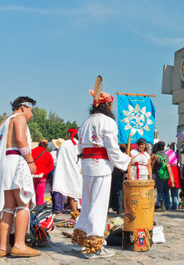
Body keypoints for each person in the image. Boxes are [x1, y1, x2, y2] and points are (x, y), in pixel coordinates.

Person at [72, 88, 131, 258]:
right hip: (101, 166)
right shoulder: (107, 122)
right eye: (111, 105)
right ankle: (94, 245)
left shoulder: (86, 121)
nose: (112, 109)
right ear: (106, 105)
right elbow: (112, 149)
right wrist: (126, 161)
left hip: (87, 165)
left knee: (88, 203)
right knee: (98, 205)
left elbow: (80, 146)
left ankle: (80, 240)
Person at [0, 96, 40, 257]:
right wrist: (30, 161)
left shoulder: (3, 123)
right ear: (22, 107)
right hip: (16, 161)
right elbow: (20, 140)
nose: (31, 115)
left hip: (3, 164)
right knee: (23, 203)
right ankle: (19, 244)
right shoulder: (19, 118)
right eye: (31, 110)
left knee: (8, 206)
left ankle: (3, 247)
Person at [52, 129, 82, 215]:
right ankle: (78, 212)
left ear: (69, 134)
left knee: (72, 192)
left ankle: (75, 212)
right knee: (79, 191)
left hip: (69, 170)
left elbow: (60, 158)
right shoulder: (80, 144)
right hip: (79, 170)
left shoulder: (64, 144)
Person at [31, 139, 54, 206]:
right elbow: (51, 166)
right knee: (40, 196)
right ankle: (38, 209)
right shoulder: (48, 154)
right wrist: (44, 173)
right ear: (46, 146)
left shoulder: (31, 151)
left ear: (39, 144)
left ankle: (28, 209)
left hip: (31, 176)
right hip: (41, 177)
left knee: (29, 195)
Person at [151, 141, 170, 212]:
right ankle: (167, 205)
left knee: (160, 190)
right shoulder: (166, 155)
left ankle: (162, 206)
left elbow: (152, 165)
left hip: (159, 175)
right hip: (166, 175)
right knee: (166, 190)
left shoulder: (156, 155)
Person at [166, 143, 181, 210]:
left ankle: (168, 205)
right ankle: (176, 205)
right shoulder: (176, 154)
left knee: (166, 189)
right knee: (175, 190)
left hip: (168, 169)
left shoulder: (166, 153)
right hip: (175, 170)